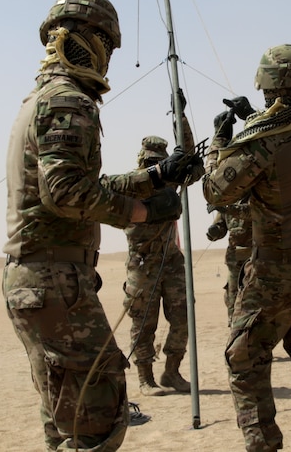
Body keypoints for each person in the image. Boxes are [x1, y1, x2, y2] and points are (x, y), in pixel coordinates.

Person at [3, 0, 193, 452]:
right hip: (53, 279)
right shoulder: (68, 102)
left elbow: (85, 181)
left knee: (66, 421)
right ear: (91, 40)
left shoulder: (43, 99)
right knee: (97, 419)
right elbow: (68, 193)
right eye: (108, 45)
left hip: (41, 279)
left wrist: (154, 177)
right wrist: (143, 212)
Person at [203, 44, 291, 452]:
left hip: (277, 270)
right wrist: (254, 122)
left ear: (266, 85)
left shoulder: (264, 140)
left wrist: (218, 143)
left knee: (245, 360)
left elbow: (217, 190)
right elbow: (284, 138)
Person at [121, 128, 197, 397]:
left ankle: (172, 371)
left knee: (182, 318)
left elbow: (189, 154)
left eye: (158, 162)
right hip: (143, 265)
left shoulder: (168, 184)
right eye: (149, 162)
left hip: (172, 262)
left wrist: (182, 119)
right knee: (144, 323)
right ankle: (145, 378)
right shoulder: (130, 184)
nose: (153, 166)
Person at [207, 197, 253, 324]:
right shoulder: (228, 199)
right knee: (233, 299)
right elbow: (221, 225)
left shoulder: (258, 195)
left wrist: (226, 209)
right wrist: (214, 231)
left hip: (257, 259)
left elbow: (252, 213)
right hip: (235, 261)